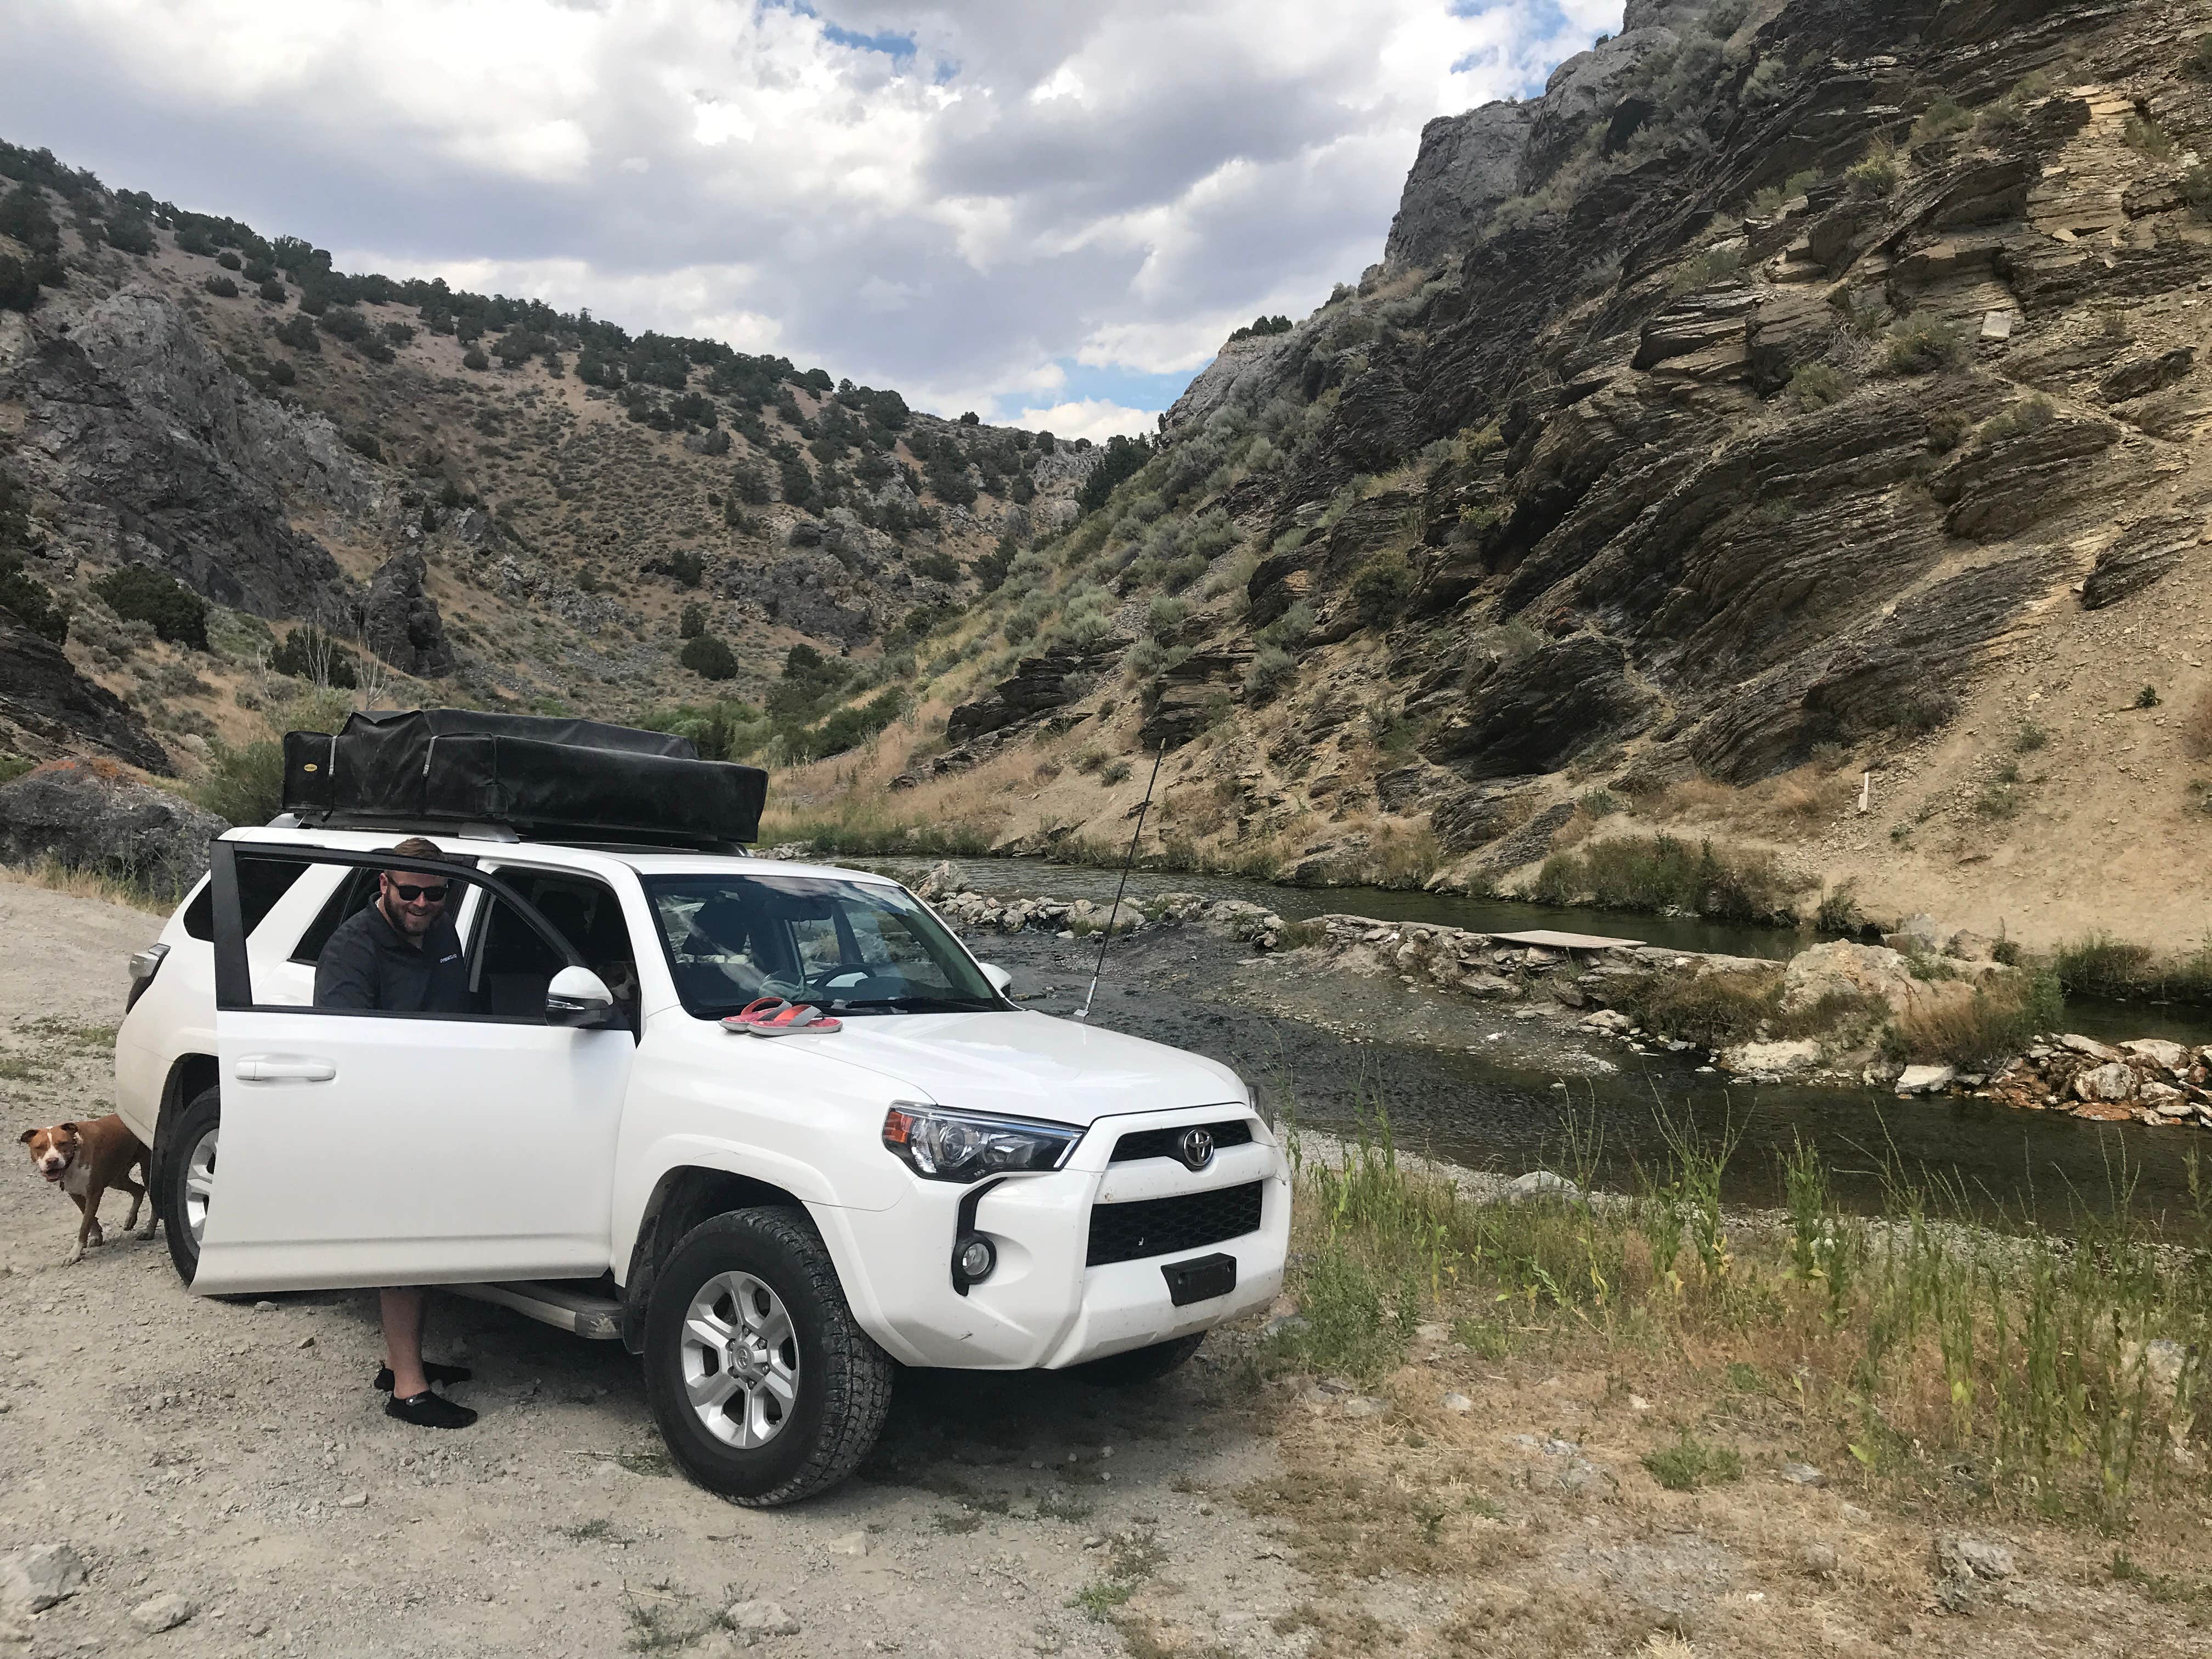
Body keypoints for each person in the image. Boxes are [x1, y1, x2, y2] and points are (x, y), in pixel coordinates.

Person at [313, 836, 479, 1431]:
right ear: (383, 884)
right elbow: (344, 1044)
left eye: (436, 893)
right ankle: (407, 1391)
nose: (423, 903)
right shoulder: (351, 948)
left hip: (436, 1104)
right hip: (384, 1111)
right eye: (409, 891)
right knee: (404, 1241)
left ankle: (399, 1362)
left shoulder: (443, 933)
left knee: (427, 1238)